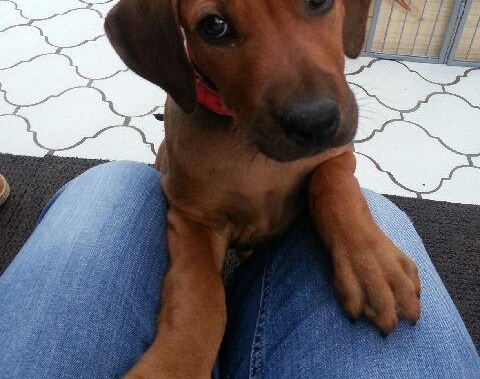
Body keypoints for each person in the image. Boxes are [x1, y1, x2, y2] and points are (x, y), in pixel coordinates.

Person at [0, 161, 478, 378]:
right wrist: (188, 336)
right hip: (202, 187)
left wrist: (337, 196)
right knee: (142, 188)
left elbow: (333, 154)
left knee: (114, 188)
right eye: (217, 27)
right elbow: (191, 213)